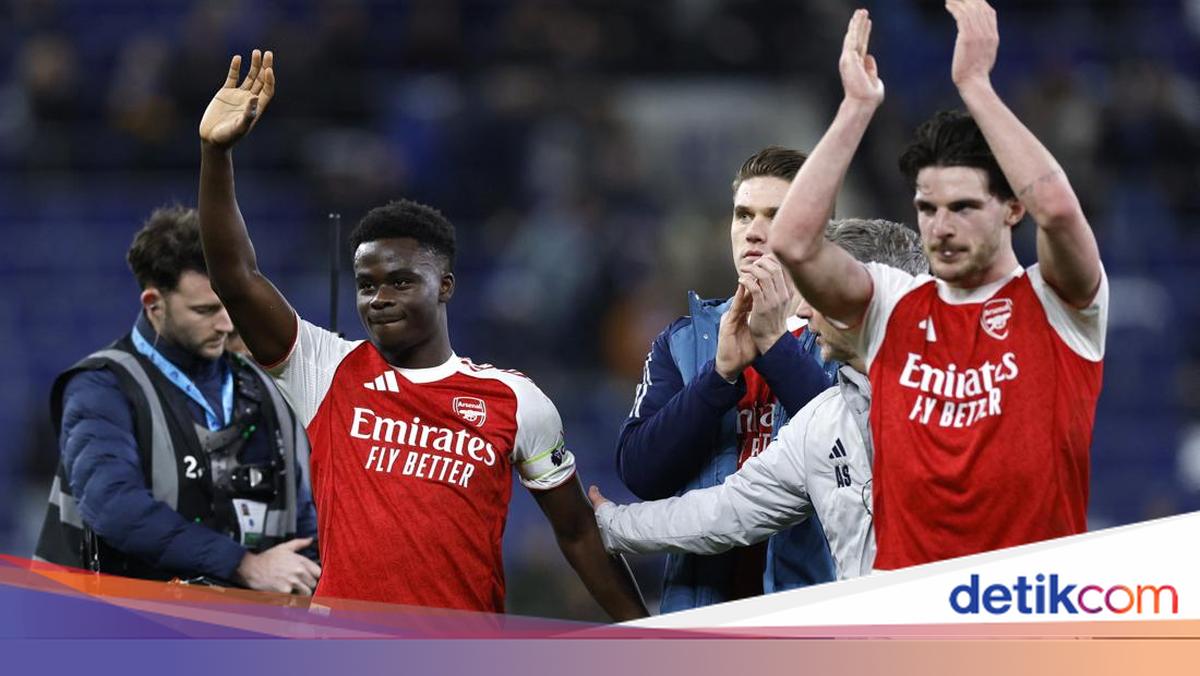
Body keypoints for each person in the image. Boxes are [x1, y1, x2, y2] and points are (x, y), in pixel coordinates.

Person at [196, 50, 647, 618]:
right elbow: (236, 280)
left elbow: (577, 532)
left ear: (445, 286)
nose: (379, 298)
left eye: (401, 281)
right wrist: (216, 155)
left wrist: (649, 636)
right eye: (366, 285)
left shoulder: (514, 400)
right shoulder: (328, 370)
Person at [768, 2, 1107, 570]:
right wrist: (855, 109)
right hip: (913, 614)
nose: (941, 227)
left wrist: (976, 86)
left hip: (1029, 607)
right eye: (928, 208)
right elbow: (794, 243)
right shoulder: (890, 303)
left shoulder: (1058, 304)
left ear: (1012, 209)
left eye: (963, 207)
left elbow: (1057, 210)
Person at [591, 219, 927, 579]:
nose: (803, 310)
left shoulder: (961, 399)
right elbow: (725, 512)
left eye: (817, 292)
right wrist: (614, 525)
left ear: (861, 296)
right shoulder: (824, 420)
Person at [35, 206, 322, 594]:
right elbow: (114, 507)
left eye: (230, 305)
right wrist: (244, 566)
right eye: (205, 310)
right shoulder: (100, 388)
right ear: (154, 304)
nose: (226, 324)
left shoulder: (267, 386)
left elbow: (303, 515)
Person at [616, 146, 838, 611]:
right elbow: (640, 472)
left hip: (811, 616)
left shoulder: (848, 336)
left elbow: (848, 455)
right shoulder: (683, 340)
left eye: (775, 215)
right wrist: (718, 377)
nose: (754, 231)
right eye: (743, 215)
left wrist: (775, 346)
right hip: (702, 615)